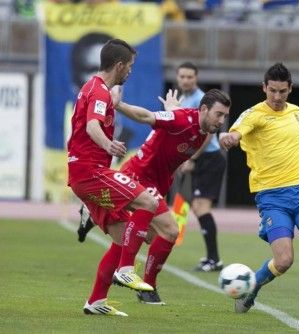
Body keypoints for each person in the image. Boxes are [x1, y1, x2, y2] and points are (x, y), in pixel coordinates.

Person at [219, 63, 299, 323]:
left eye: (283, 91)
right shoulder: (253, 114)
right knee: (284, 259)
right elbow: (235, 132)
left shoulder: (295, 112)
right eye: (272, 91)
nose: (277, 97)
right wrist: (229, 139)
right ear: (264, 87)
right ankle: (251, 289)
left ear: (290, 89)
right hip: (272, 197)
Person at [67, 39, 161, 316]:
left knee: (123, 239)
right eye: (130, 66)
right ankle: (126, 270)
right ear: (119, 65)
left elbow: (96, 115)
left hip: (83, 174)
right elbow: (93, 125)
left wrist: (115, 99)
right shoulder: (98, 92)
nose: (131, 71)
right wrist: (108, 145)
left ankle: (96, 301)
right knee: (148, 203)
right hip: (91, 172)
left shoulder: (95, 88)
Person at [115, 88, 231, 305]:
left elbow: (178, 121)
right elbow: (146, 116)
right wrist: (118, 105)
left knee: (150, 236)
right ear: (204, 109)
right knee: (170, 231)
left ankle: (100, 217)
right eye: (219, 114)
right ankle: (143, 284)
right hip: (139, 176)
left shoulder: (202, 128)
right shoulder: (180, 120)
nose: (222, 120)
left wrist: (172, 108)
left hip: (158, 183)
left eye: (225, 116)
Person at [175, 62, 226, 272]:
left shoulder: (201, 100)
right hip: (198, 159)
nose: (186, 80)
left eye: (190, 77)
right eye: (182, 76)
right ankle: (212, 258)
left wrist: (192, 158)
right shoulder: (183, 99)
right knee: (192, 206)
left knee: (200, 207)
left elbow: (207, 133)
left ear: (196, 78)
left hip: (209, 158)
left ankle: (214, 259)